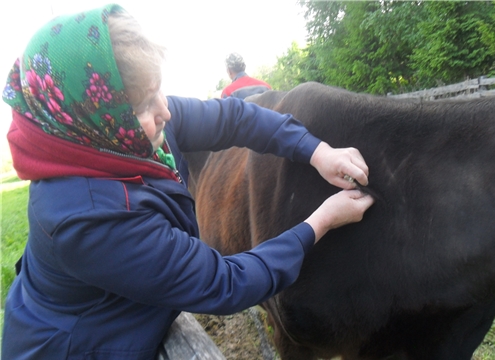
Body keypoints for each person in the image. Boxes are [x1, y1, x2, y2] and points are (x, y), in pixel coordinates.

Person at [1, 4, 374, 359]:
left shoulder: (114, 132)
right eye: (144, 105)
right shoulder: (88, 216)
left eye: (158, 90)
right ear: (88, 116)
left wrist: (317, 150)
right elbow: (224, 282)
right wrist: (320, 221)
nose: (165, 109)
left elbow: (234, 118)